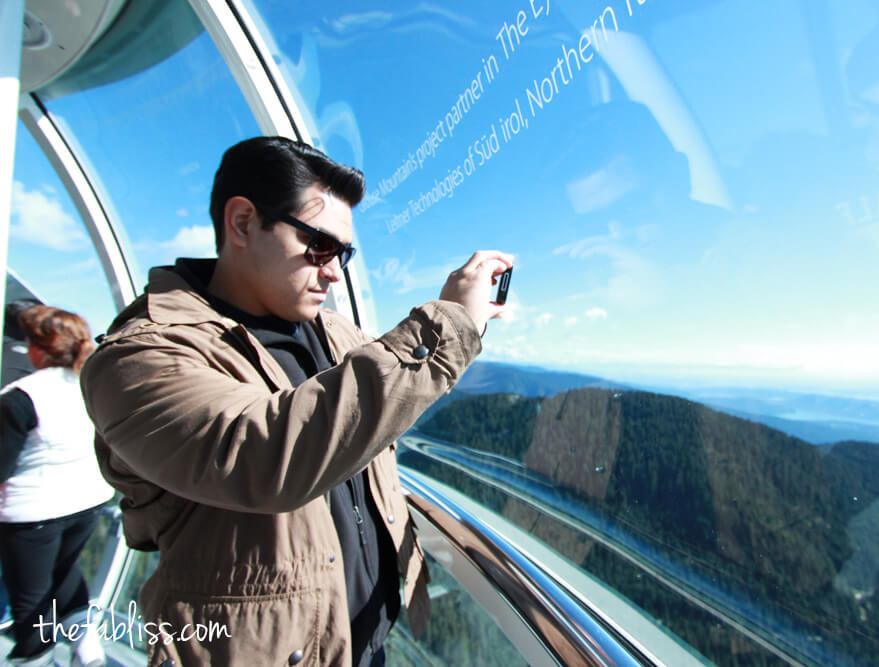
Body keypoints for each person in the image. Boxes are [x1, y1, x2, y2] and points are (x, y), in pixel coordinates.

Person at [80, 136, 512, 666]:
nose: (334, 271)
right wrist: (447, 324)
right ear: (242, 223)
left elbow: (372, 410)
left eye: (344, 254)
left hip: (361, 641)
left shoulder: (334, 333)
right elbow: (264, 456)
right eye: (319, 246)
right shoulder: (140, 357)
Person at [0, 305, 114, 667]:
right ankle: (88, 648)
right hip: (87, 502)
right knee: (64, 570)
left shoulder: (21, 397)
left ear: (36, 348)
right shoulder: (89, 384)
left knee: (30, 599)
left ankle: (36, 656)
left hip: (33, 513)